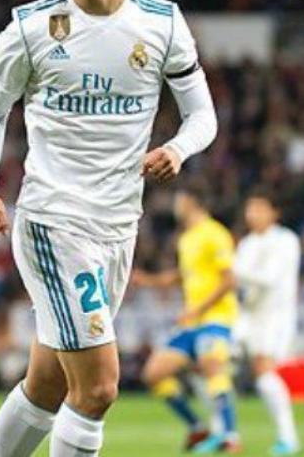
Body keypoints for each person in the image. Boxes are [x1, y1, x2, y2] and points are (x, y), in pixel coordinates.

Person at [0, 0, 218, 455]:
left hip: (117, 228)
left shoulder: (162, 23)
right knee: (100, 387)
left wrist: (178, 149)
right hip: (54, 222)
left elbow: (203, 117)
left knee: (47, 385)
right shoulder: (32, 29)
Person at [135, 185, 240, 453]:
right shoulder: (186, 238)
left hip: (216, 318)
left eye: (179, 199)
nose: (175, 204)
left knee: (212, 366)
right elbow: (184, 275)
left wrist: (199, 309)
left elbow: (229, 280)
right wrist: (149, 280)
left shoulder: (216, 233)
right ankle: (197, 427)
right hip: (191, 322)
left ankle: (230, 436)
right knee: (154, 374)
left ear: (192, 202)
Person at [232, 191, 302, 456]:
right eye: (250, 209)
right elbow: (240, 287)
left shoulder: (286, 241)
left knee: (264, 373)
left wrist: (233, 272)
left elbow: (270, 279)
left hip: (275, 317)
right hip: (247, 317)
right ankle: (224, 432)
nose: (252, 214)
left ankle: (288, 438)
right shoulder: (247, 243)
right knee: (217, 364)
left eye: (259, 209)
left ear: (274, 213)